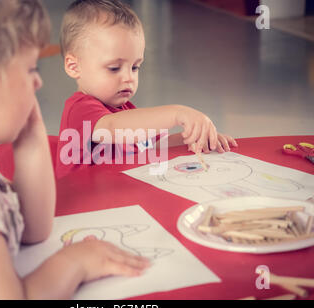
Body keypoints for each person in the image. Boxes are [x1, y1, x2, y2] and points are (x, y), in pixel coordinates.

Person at [0, 0, 149, 300]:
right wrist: (75, 261)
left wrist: (29, 133)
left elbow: (33, 230)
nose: (38, 82)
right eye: (29, 69)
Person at [56, 0, 238, 179]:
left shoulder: (126, 110)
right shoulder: (80, 109)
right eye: (114, 68)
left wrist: (195, 138)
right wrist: (176, 113)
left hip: (117, 197)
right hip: (85, 204)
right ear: (74, 67)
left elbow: (154, 144)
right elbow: (112, 127)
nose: (129, 77)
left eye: (135, 67)